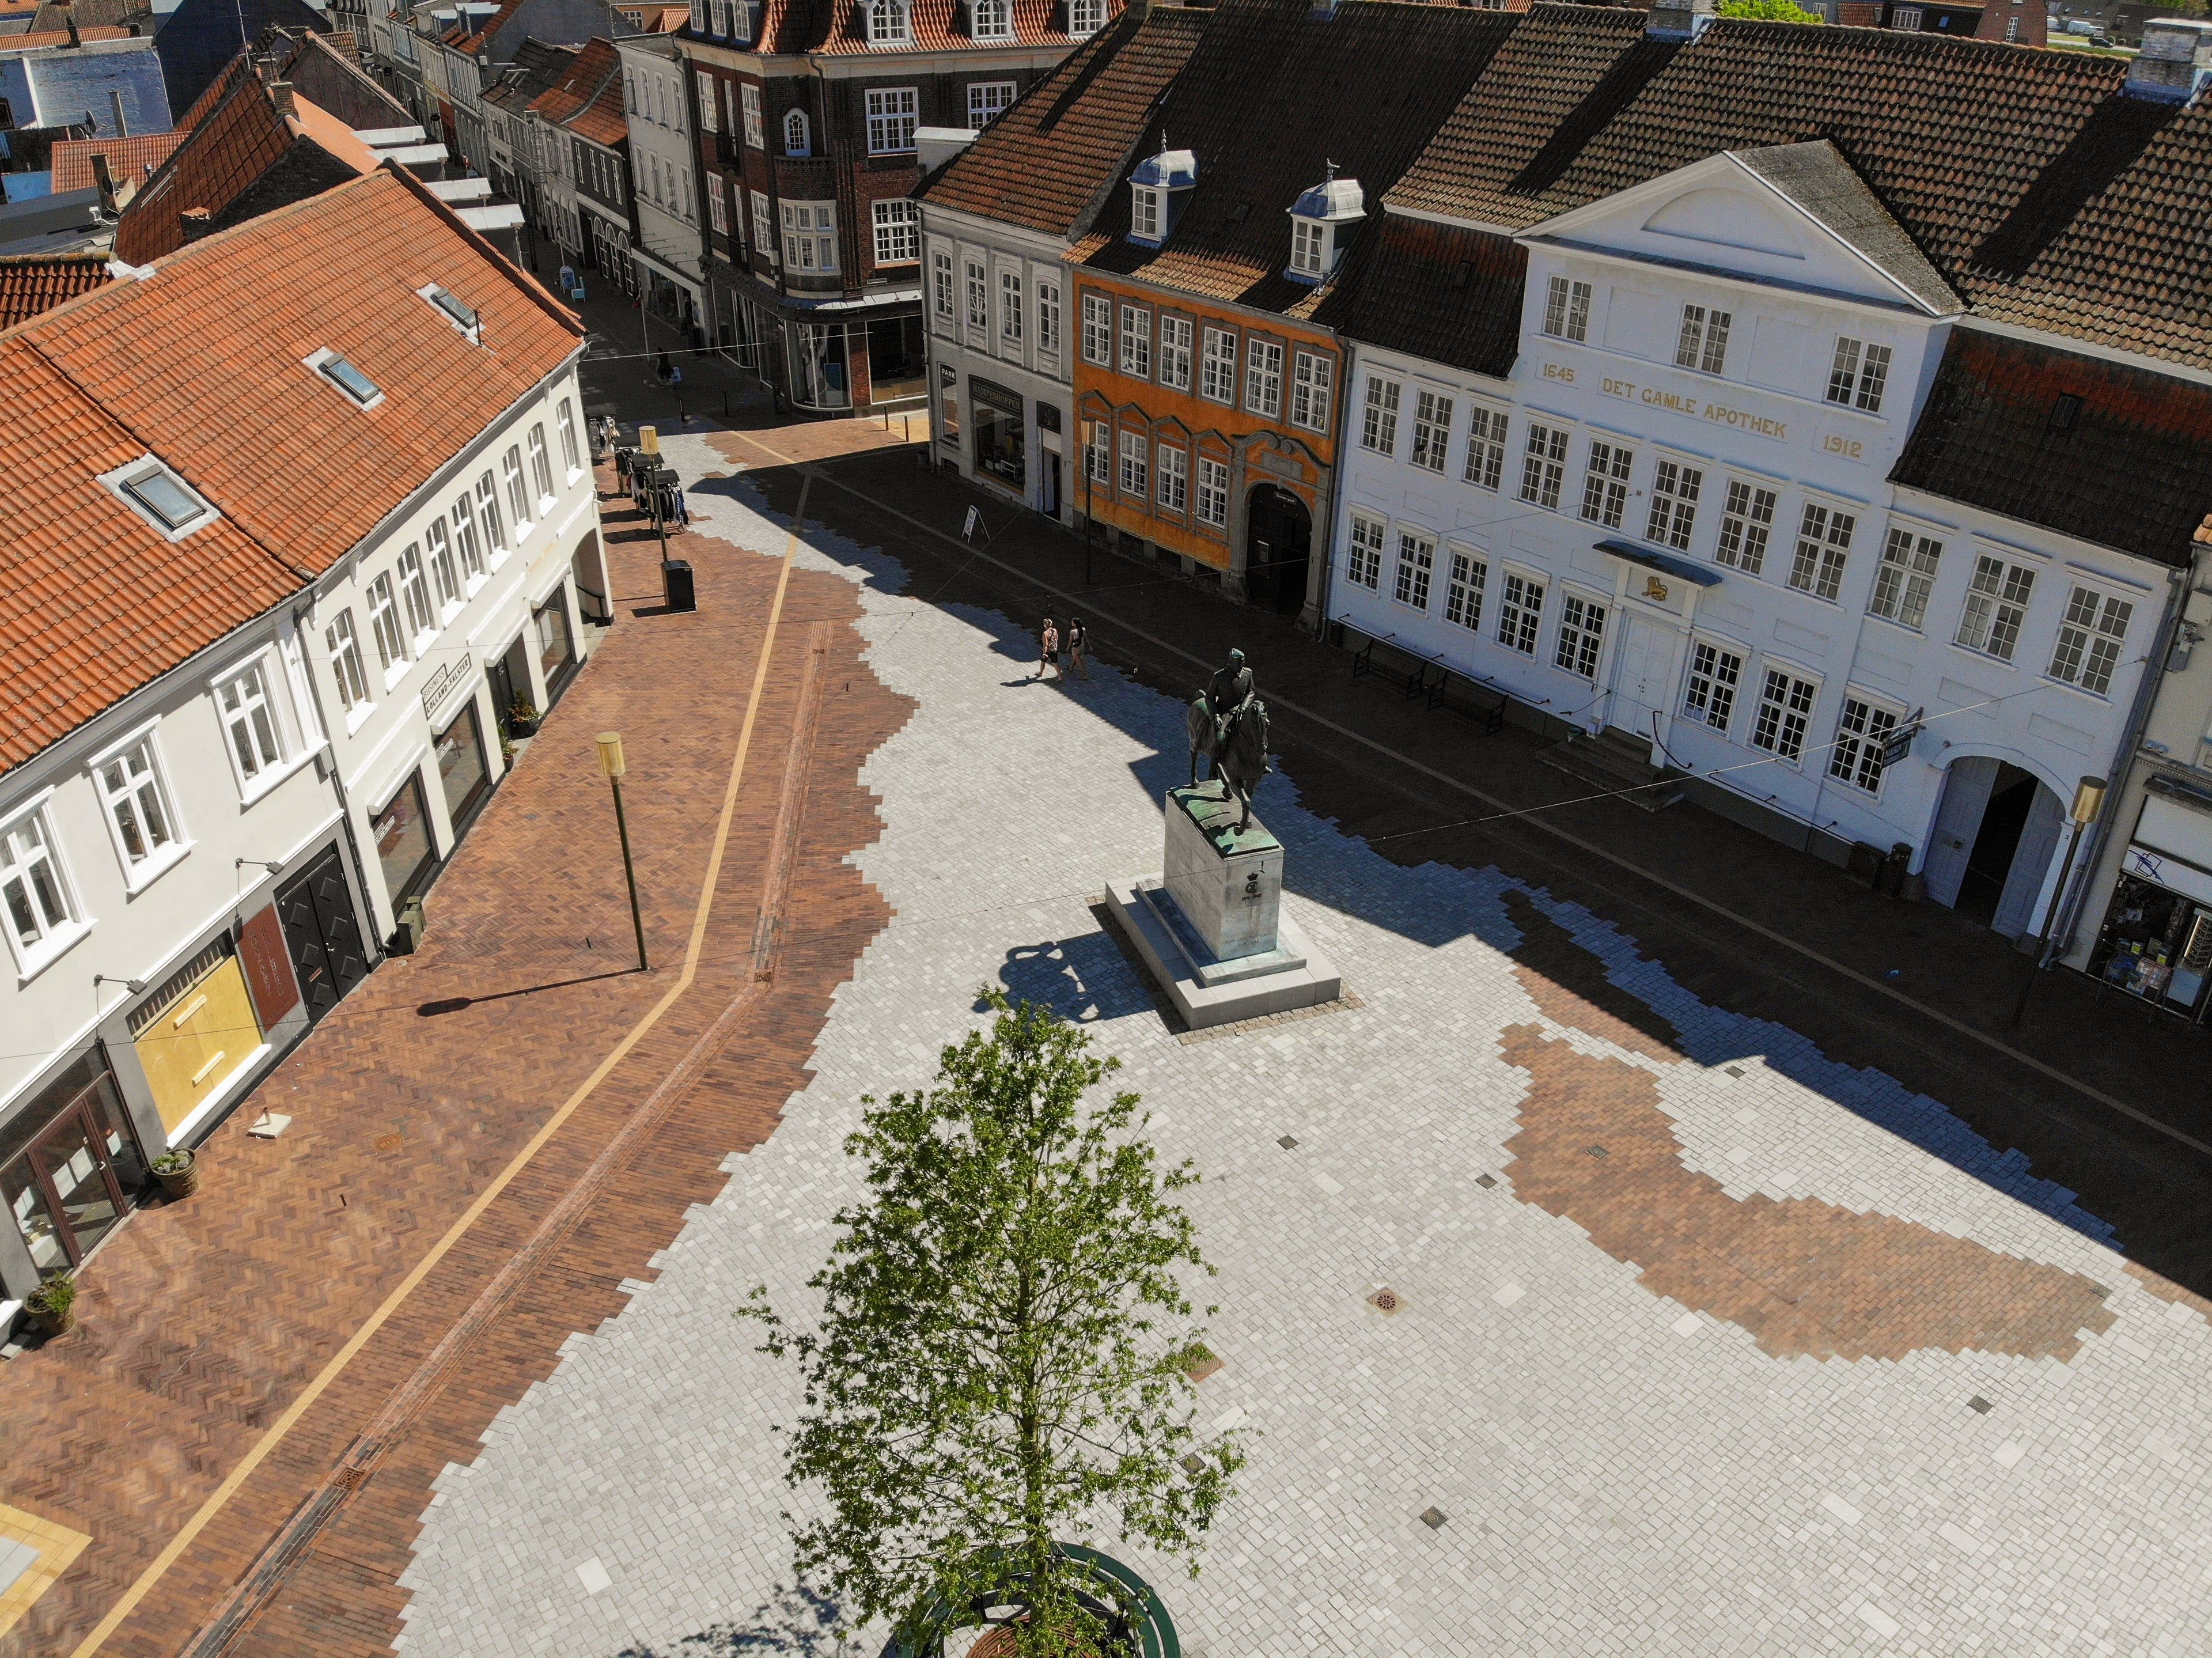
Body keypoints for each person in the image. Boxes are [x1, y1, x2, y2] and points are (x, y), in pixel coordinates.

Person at [1065, 616, 1092, 682]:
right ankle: (1071, 667)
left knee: (1079, 662)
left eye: (1072, 622)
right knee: (1076, 658)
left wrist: (1068, 647)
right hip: (1082, 647)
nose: (1071, 623)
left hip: (1076, 648)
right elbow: (1086, 638)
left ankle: (1085, 675)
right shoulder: (1083, 629)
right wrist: (1090, 645)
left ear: (1075, 624)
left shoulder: (1072, 631)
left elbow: (1070, 641)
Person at [1036, 616, 1060, 681]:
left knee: (1043, 661)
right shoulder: (1055, 630)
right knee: (1055, 663)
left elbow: (1046, 644)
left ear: (1045, 625)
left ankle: (1040, 673)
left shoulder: (1045, 633)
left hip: (1048, 650)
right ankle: (1060, 676)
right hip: (1054, 649)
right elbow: (1057, 639)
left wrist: (1044, 653)